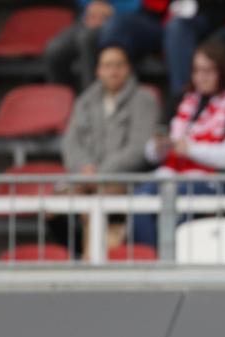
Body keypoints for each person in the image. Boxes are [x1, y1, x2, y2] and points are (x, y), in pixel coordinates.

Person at [133, 39, 225, 248]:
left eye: (208, 71)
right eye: (197, 70)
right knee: (139, 200)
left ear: (223, 71)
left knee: (178, 199)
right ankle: (154, 259)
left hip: (213, 180)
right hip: (171, 173)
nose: (201, 77)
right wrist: (158, 146)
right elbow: (151, 153)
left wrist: (190, 149)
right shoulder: (181, 99)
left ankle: (172, 258)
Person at [59, 45, 159, 257]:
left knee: (99, 201)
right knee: (54, 206)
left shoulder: (145, 100)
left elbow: (139, 148)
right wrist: (85, 168)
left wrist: (100, 174)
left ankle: (95, 258)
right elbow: (71, 143)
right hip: (86, 177)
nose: (113, 71)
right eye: (107, 65)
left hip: (126, 180)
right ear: (98, 70)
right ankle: (77, 257)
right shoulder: (85, 101)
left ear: (128, 68)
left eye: (118, 65)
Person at [101, 0, 225, 97]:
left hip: (203, 23)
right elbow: (149, 10)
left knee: (177, 28)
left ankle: (183, 101)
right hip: (162, 23)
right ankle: (113, 92)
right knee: (118, 24)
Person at [45, 0, 140, 90]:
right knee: (54, 49)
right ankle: (61, 98)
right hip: (88, 19)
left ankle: (90, 98)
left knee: (86, 39)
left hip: (120, 20)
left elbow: (135, 4)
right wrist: (92, 6)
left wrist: (111, 10)